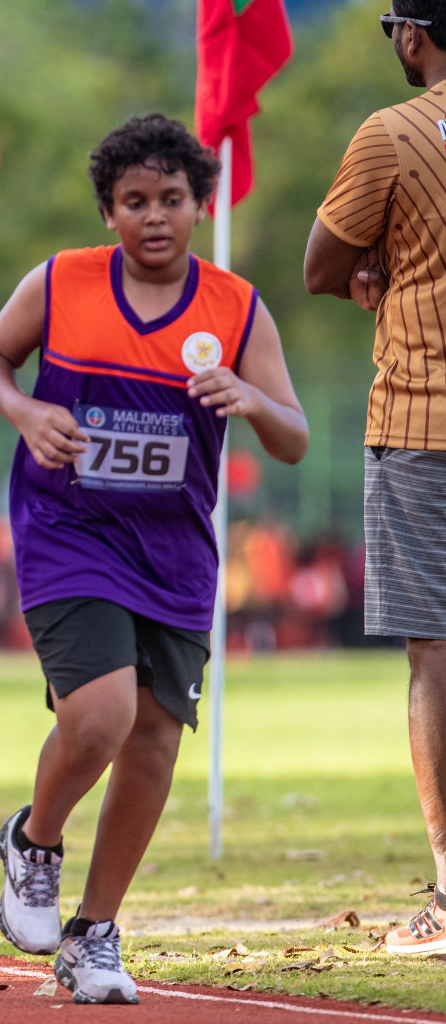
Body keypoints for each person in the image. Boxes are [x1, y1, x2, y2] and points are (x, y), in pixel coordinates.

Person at [0, 115, 308, 1004]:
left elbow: (295, 438)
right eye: (133, 202)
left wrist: (251, 400)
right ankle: (35, 842)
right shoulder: (62, 282)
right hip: (69, 530)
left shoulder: (235, 307)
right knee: (101, 718)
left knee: (155, 740)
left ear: (201, 203)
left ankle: (94, 933)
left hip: (176, 551)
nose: (153, 217)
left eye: (170, 199)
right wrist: (26, 413)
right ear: (108, 212)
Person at [304, 0, 446, 957]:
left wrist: (383, 267)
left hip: (422, 420)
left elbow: (321, 265)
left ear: (413, 32)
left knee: (436, 659)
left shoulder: (393, 134)